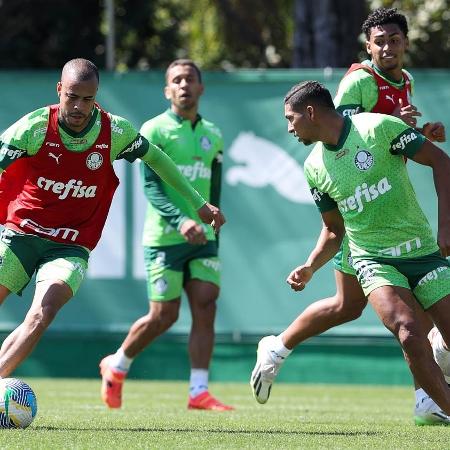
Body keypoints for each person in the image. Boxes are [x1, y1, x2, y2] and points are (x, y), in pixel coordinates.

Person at [254, 7, 448, 426]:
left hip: (389, 218)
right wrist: (394, 126)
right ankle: (427, 390)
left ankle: (278, 348)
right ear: (368, 46)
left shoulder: (404, 81)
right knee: (392, 317)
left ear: (405, 44)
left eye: (394, 40)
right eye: (379, 41)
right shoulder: (360, 80)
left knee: (350, 307)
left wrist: (418, 133)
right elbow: (343, 128)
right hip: (360, 223)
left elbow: (393, 138)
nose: (387, 47)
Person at [0, 58, 225, 380]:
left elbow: (158, 160)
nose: (79, 107)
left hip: (69, 245)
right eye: (72, 97)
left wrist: (199, 204)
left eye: (88, 99)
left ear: (97, 96)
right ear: (59, 90)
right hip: (22, 233)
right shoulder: (34, 127)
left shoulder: (114, 131)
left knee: (42, 314)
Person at [99, 59, 233, 411]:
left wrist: (211, 224)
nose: (184, 85)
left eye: (190, 79)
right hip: (164, 238)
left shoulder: (214, 134)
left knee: (206, 304)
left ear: (201, 88)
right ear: (167, 90)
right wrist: (181, 222)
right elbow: (151, 188)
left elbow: (214, 186)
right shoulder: (154, 130)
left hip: (203, 239)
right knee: (164, 316)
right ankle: (117, 365)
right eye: (176, 80)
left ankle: (198, 391)